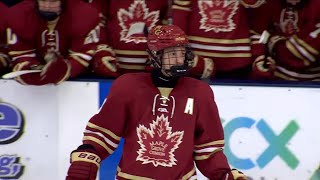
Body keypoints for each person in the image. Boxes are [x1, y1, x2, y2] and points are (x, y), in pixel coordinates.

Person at [66, 25, 247, 180]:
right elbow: (103, 134)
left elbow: (207, 150)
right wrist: (88, 154)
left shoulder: (200, 92)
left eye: (182, 53)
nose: (179, 59)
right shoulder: (127, 86)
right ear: (154, 56)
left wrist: (224, 174)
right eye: (172, 54)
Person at [5, 0, 117, 85]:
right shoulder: (18, 16)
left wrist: (59, 68)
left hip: (76, 84)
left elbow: (80, 57)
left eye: (53, 1)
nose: (47, 6)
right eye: (43, 0)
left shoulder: (84, 15)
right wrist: (32, 68)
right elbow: (21, 55)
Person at [171, 0, 267, 80]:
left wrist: (258, 56)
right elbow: (179, 20)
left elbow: (257, 18)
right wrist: (187, 59)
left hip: (237, 63)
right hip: (197, 62)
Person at [250, 0, 320, 81]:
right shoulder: (267, 4)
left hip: (313, 85)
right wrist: (260, 58)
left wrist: (273, 43)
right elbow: (258, 32)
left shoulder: (316, 6)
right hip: (274, 81)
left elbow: (304, 52)